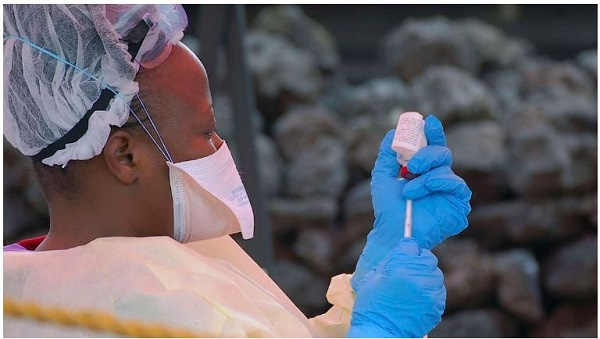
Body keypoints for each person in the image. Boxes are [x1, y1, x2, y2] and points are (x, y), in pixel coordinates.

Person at [3, 4, 472, 337]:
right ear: (125, 157)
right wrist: (381, 330)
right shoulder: (141, 303)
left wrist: (374, 274)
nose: (220, 148)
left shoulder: (33, 282)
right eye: (206, 131)